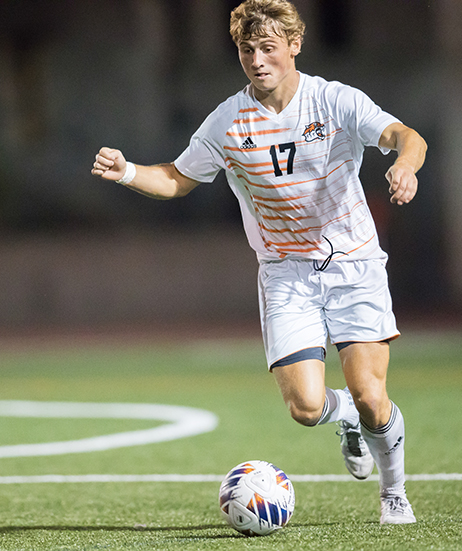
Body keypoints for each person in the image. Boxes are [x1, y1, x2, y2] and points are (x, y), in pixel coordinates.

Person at [91, 0, 427, 525]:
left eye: (268, 47)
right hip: (285, 274)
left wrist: (405, 165)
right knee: (306, 409)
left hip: (354, 263)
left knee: (370, 394)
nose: (257, 59)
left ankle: (394, 493)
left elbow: (408, 137)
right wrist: (129, 171)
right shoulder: (229, 120)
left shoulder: (335, 101)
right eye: (247, 49)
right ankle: (345, 423)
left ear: (294, 45)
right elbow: (178, 178)